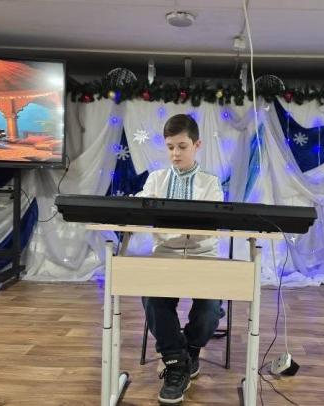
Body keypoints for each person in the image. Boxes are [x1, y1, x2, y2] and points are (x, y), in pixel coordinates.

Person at [137, 113, 225, 404]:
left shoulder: (211, 183)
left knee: (210, 308)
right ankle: (177, 362)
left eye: (182, 146)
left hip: (203, 256)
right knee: (152, 297)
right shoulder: (156, 179)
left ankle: (190, 349)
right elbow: (139, 207)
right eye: (170, 147)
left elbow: (212, 224)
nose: (175, 153)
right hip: (165, 255)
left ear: (197, 145)